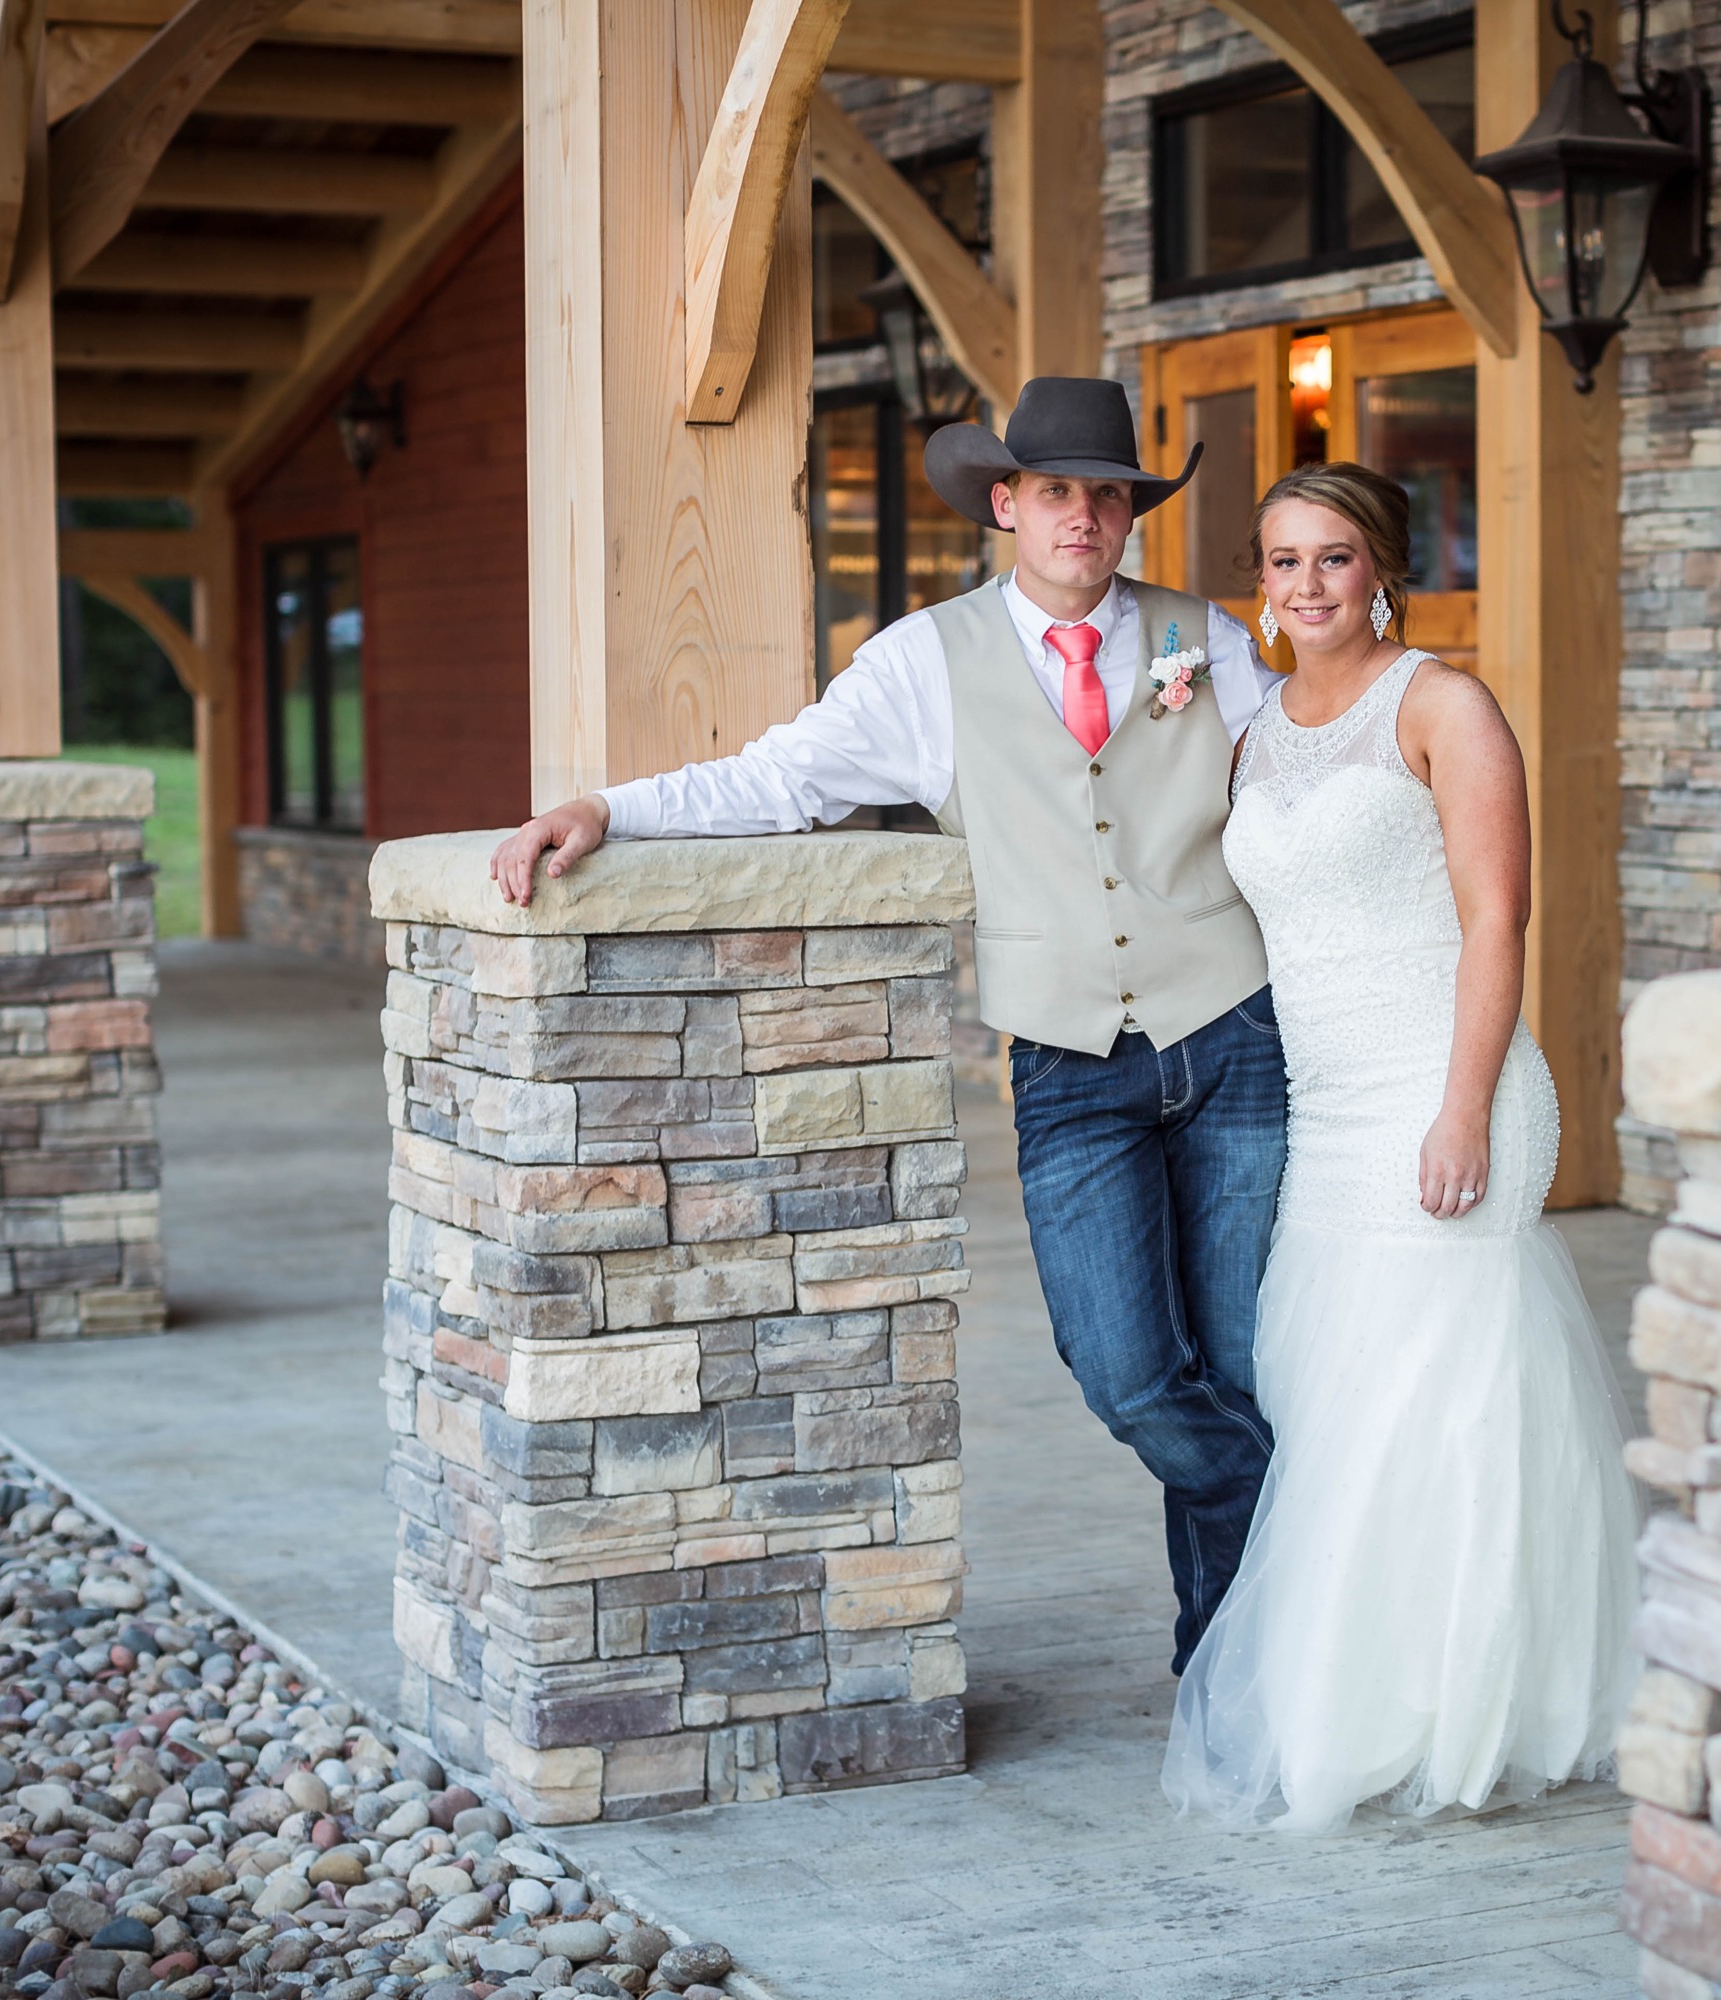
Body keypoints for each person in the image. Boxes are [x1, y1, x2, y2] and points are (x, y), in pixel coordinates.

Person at [489, 378, 1285, 1677]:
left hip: (1235, 1034)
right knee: (1131, 1373)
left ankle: (1231, 1675)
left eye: (1108, 494)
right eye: (1056, 493)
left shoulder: (1217, 643)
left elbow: (1299, 801)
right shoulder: (928, 663)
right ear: (1005, 505)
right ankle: (1306, 1532)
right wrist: (608, 810)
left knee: (1242, 1365)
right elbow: (778, 779)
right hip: (1071, 1065)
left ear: (1131, 515)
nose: (1083, 515)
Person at [1157, 463, 1639, 1834]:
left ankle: (1469, 1707)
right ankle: (1356, 1703)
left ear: (1384, 570)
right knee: (1338, 1400)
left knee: (1439, 1408)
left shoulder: (1443, 705)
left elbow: (1499, 921)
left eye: (1335, 558)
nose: (1309, 585)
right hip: (1324, 1106)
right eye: (1285, 560)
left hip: (1443, 1086)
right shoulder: (1253, 733)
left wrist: (1464, 1109)